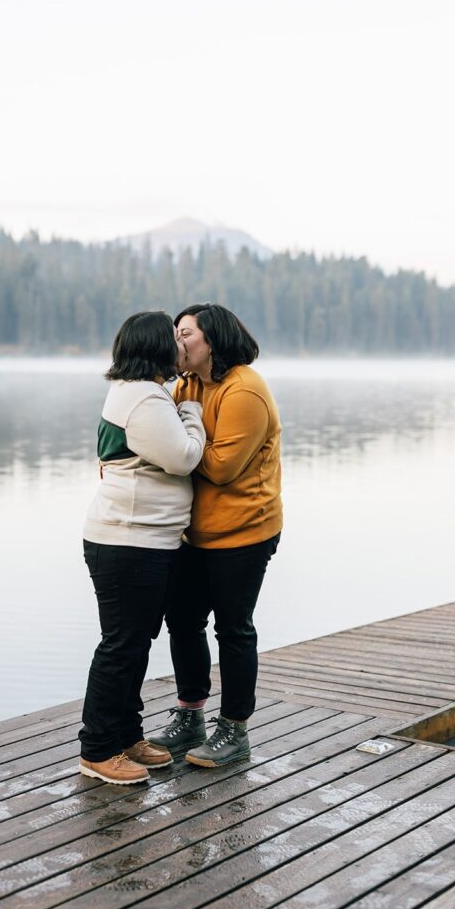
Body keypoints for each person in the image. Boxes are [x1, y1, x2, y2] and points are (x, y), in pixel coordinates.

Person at [149, 303, 282, 767]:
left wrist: (181, 448)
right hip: (195, 534)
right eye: (175, 333)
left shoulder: (245, 390)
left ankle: (235, 729)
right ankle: (191, 716)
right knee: (183, 621)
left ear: (213, 341)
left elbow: (222, 468)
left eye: (186, 333)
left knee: (233, 629)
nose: (177, 341)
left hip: (244, 532)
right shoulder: (186, 383)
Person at [79, 311, 206, 785]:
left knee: (134, 644)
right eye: (173, 338)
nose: (180, 345)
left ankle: (126, 734)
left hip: (143, 540)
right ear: (155, 346)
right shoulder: (145, 398)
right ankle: (96, 749)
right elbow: (184, 456)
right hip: (127, 541)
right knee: (121, 646)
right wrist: (192, 414)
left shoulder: (141, 391)